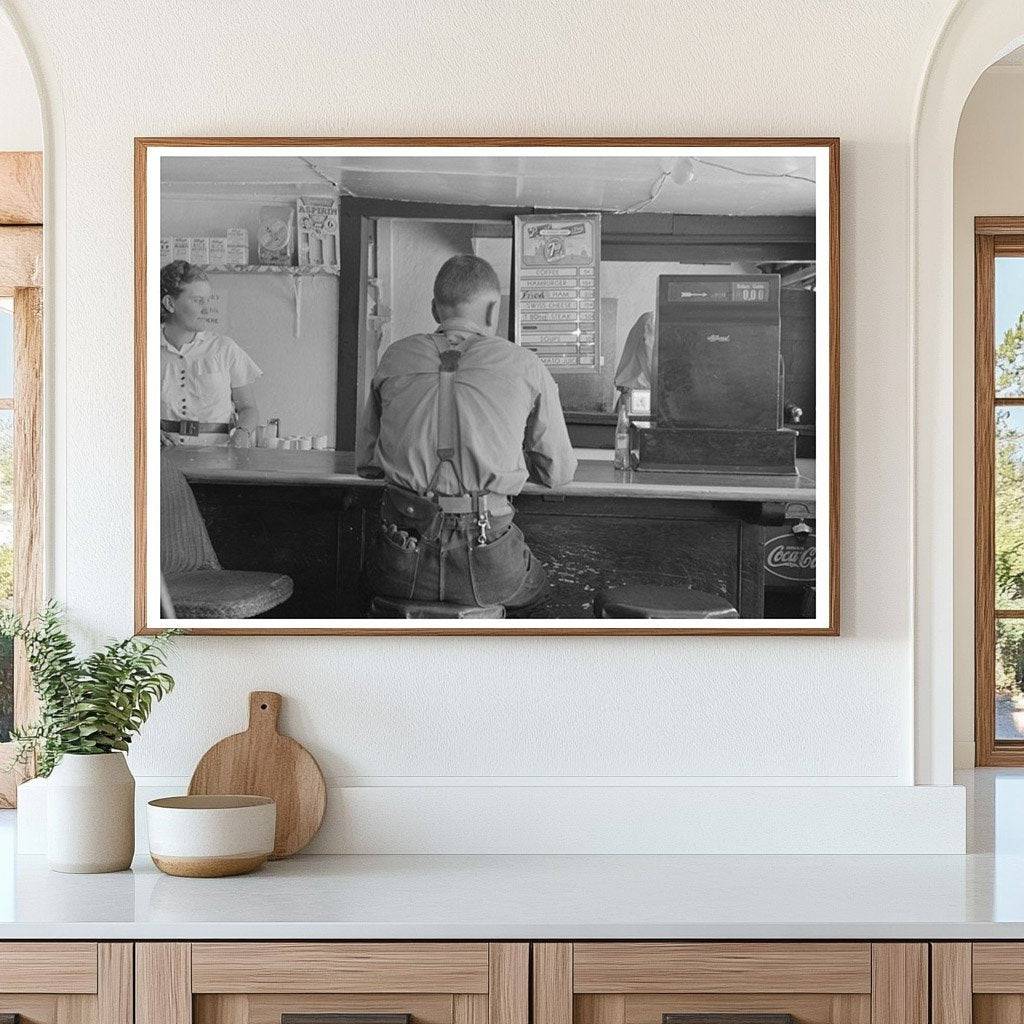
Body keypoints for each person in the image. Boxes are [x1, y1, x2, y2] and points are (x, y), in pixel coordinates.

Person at [356, 254, 577, 612]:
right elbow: (558, 473)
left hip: (402, 554)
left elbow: (367, 463)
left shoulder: (395, 357)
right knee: (538, 589)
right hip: (489, 551)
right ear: (493, 311)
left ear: (434, 309)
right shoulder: (525, 365)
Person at [159, 260, 261, 448]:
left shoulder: (225, 349)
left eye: (207, 301)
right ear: (170, 303)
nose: (206, 309)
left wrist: (242, 433)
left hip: (217, 463)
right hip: (162, 464)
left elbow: (248, 409)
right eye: (198, 301)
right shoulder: (142, 351)